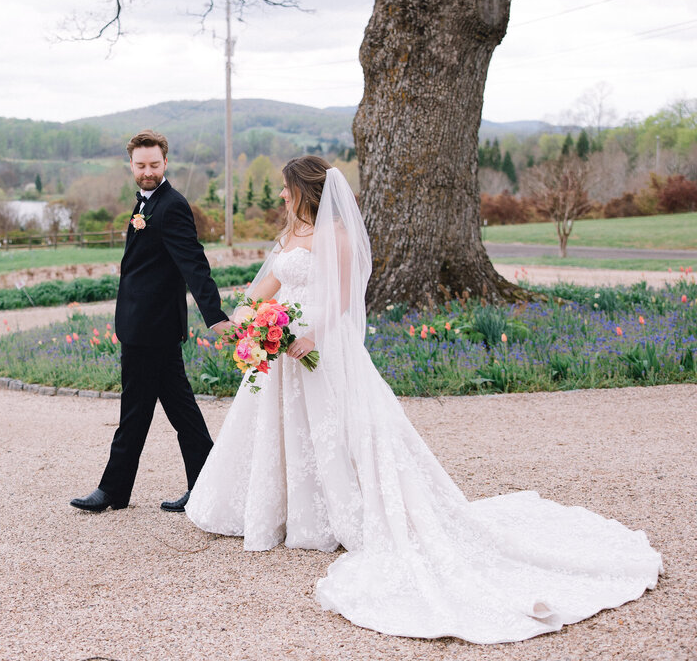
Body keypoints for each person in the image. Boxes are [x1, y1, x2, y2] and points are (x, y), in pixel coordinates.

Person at [185, 156, 662, 644]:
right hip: (282, 347)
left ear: (306, 190)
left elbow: (345, 298)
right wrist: (248, 320)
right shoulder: (287, 237)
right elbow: (264, 287)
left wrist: (309, 333)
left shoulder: (339, 237)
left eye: (286, 189)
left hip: (321, 346)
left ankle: (335, 514)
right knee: (280, 429)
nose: (281, 197)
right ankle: (276, 511)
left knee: (340, 428)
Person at [71, 130, 232, 514]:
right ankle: (208, 486)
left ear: (165, 162)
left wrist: (216, 317)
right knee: (179, 411)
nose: (147, 172)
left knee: (136, 413)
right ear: (131, 165)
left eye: (154, 165)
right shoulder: (144, 203)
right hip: (142, 325)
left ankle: (112, 491)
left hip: (152, 330)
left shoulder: (172, 205)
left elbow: (194, 264)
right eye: (140, 165)